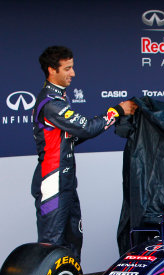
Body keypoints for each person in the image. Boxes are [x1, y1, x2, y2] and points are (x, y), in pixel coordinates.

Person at [32, 45, 137, 261]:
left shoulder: (59, 98)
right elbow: (87, 128)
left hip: (66, 180)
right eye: (67, 68)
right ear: (52, 70)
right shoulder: (50, 103)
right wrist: (117, 111)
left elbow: (75, 136)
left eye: (73, 67)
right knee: (52, 244)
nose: (73, 73)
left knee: (73, 240)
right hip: (52, 180)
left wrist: (111, 120)